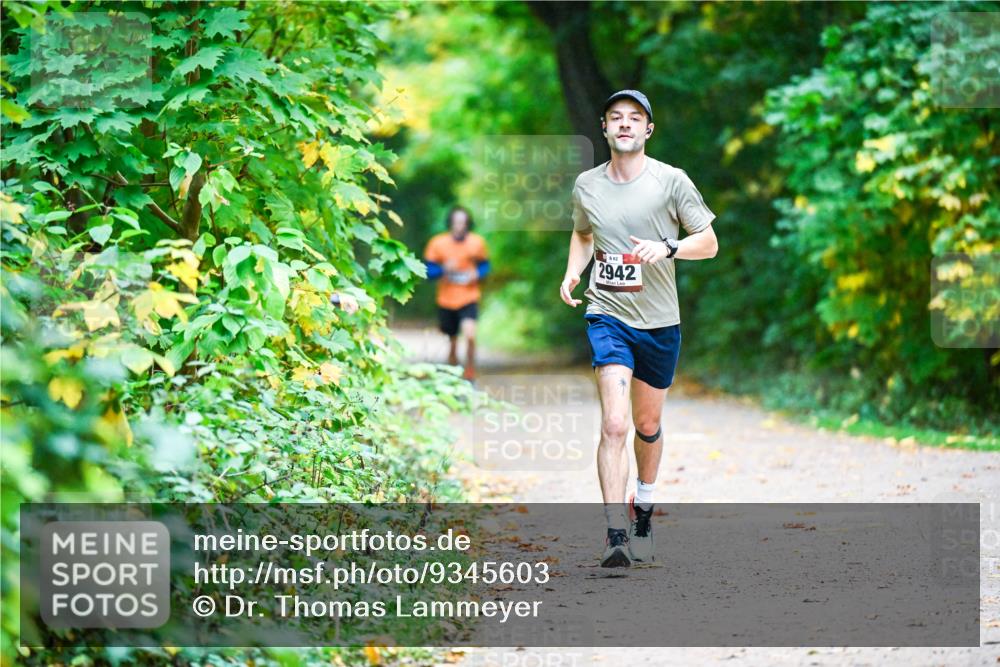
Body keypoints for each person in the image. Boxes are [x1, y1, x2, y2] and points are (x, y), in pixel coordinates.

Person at [559, 90, 719, 567]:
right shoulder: (587, 185)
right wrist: (574, 271)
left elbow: (708, 242)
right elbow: (583, 233)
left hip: (659, 321)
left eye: (634, 118)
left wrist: (667, 248)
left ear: (648, 129)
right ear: (604, 129)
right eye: (615, 118)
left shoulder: (671, 181)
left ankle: (643, 509)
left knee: (647, 426)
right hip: (607, 313)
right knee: (614, 423)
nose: (624, 124)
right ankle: (615, 535)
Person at [423, 206, 490, 381]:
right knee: (452, 341)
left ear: (468, 224)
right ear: (450, 223)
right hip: (446, 299)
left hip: (469, 296)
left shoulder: (477, 242)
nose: (460, 225)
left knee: (470, 335)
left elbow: (485, 265)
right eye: (456, 222)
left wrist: (478, 274)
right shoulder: (438, 243)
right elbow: (428, 272)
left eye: (463, 222)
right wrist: (443, 269)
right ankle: (453, 375)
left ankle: (470, 372)